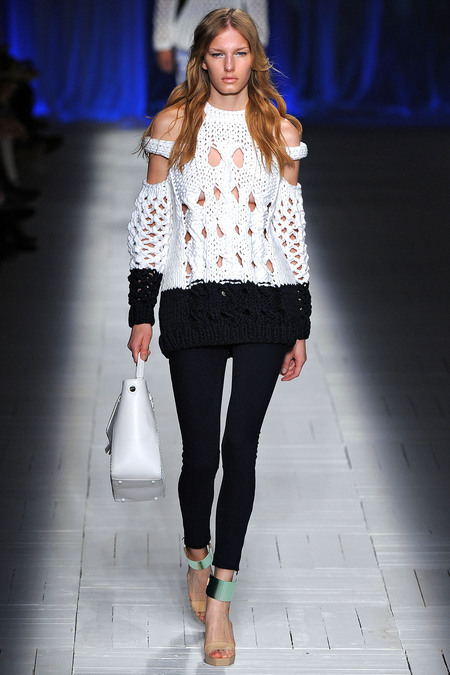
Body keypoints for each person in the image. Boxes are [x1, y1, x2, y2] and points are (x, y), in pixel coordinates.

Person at [127, 7, 311, 667]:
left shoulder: (280, 128)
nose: (229, 65)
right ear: (200, 58)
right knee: (201, 455)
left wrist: (299, 321)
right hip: (191, 302)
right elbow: (152, 222)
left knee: (241, 448)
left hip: (263, 303)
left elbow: (289, 229)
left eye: (240, 53)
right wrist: (141, 312)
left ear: (253, 57)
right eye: (217, 54)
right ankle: (195, 555)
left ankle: (222, 597)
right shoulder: (173, 125)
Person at [153, 0, 268, 84]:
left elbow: (257, 4)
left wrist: (258, 43)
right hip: (189, 41)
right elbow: (166, 3)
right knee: (190, 99)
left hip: (235, 40)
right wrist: (163, 43)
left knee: (233, 99)